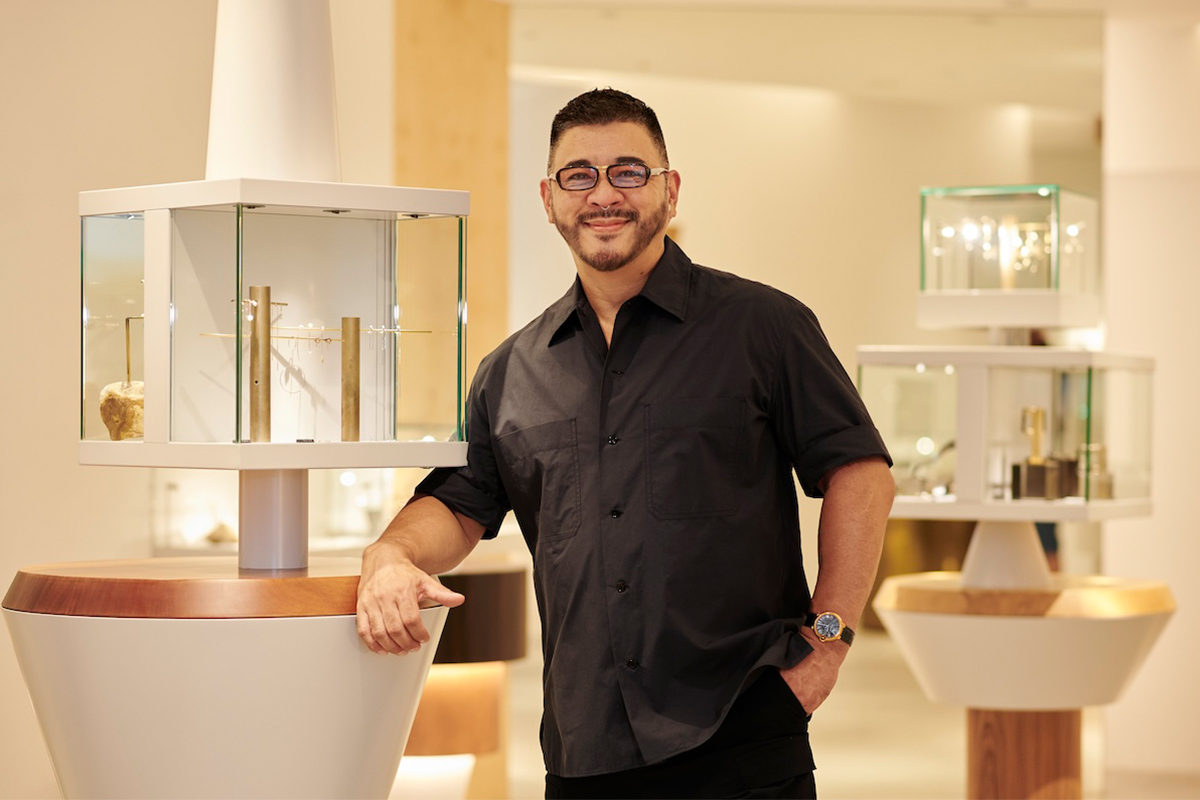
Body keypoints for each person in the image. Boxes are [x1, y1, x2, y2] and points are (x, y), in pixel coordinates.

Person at [357, 88, 895, 799]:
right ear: (549, 199)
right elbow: (459, 505)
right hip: (585, 746)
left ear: (669, 190)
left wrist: (827, 643)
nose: (604, 194)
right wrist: (390, 555)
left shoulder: (763, 326)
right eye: (579, 175)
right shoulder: (511, 371)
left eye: (629, 172)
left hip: (741, 729)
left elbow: (860, 472)